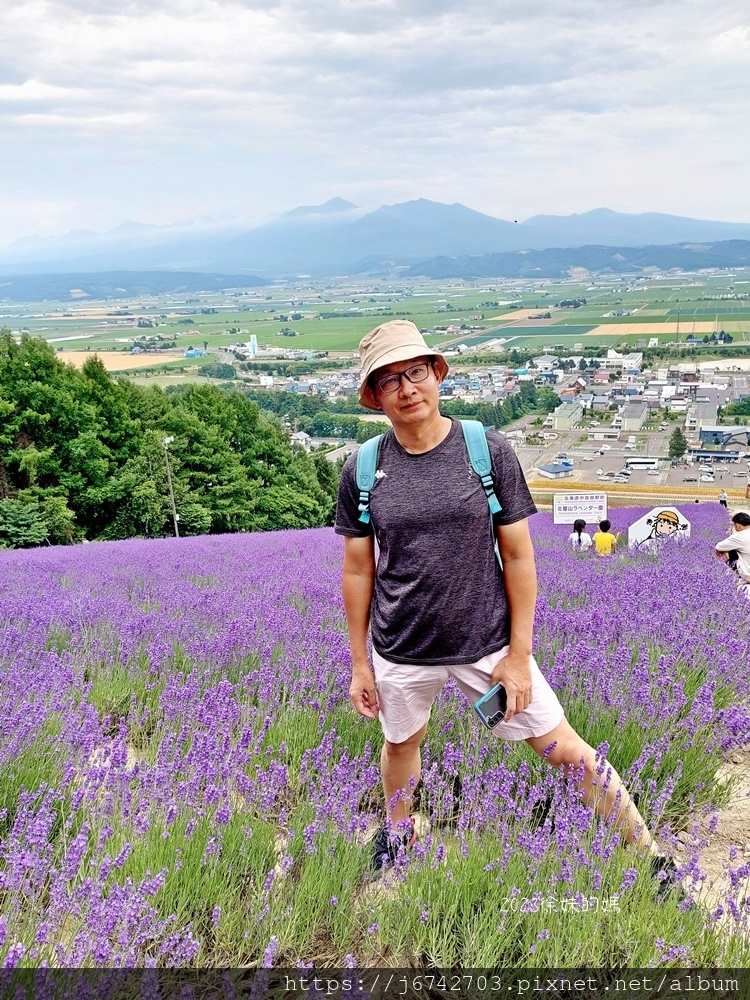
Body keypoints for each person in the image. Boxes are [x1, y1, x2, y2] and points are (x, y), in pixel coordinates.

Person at [335, 319, 676, 888]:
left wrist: (518, 656)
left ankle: (650, 857)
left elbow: (518, 556)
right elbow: (357, 567)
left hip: (488, 645)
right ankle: (399, 834)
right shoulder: (363, 468)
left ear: (436, 374)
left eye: (415, 372)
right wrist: (358, 661)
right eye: (389, 380)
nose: (407, 388)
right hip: (402, 645)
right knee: (401, 742)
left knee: (564, 749)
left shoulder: (485, 449)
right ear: (374, 397)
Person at [715, 511, 750, 585]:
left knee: (725, 549)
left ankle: (730, 571)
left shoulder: (739, 536)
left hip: (747, 574)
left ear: (737, 525)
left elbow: (718, 547)